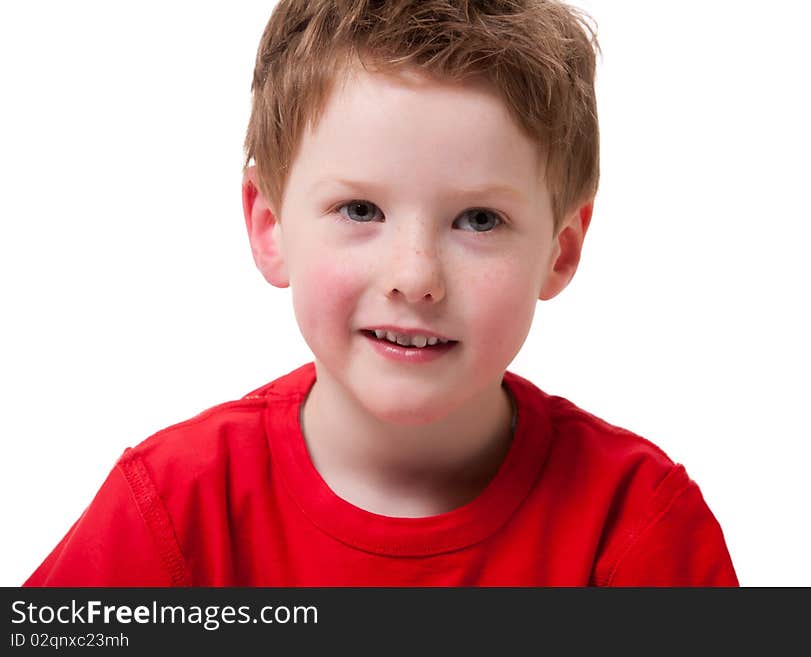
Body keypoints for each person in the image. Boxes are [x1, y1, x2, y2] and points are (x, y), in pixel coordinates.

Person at [25, 0, 737, 586]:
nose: (415, 276)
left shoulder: (636, 527)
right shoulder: (176, 511)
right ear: (270, 226)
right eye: (361, 210)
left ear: (562, 249)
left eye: (479, 219)